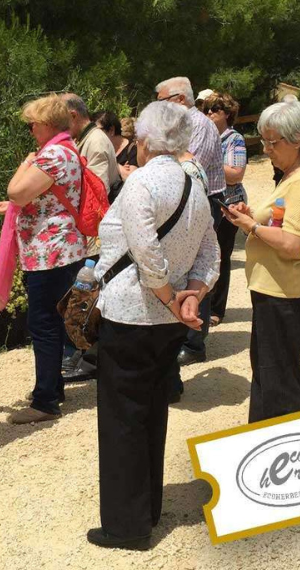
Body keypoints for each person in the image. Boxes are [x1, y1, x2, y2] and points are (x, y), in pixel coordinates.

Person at [87, 101, 219, 550]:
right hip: (169, 321)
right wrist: (191, 297)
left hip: (132, 315)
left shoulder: (142, 182)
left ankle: (127, 526)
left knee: (123, 418)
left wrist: (171, 297)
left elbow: (146, 254)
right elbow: (211, 254)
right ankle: (149, 507)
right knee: (152, 413)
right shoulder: (194, 181)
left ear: (143, 142)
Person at [221, 100, 300, 422]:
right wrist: (252, 216)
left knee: (278, 377)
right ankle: (270, 442)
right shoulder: (292, 174)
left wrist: (251, 227)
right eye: (264, 141)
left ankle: (280, 447)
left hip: (285, 293)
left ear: (297, 139)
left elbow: (293, 243)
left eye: (272, 142)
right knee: (272, 373)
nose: (266, 149)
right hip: (277, 290)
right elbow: (282, 222)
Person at [0, 94, 87, 424]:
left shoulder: (51, 155)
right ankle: (53, 388)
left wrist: (24, 166)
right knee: (55, 321)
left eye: (32, 125)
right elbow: (41, 198)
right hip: (64, 247)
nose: (30, 130)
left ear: (47, 124)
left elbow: (17, 191)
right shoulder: (67, 149)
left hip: (50, 253)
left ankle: (45, 401)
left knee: (43, 324)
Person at [155, 76, 225, 368]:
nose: (156, 108)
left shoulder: (199, 125)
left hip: (200, 202)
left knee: (198, 267)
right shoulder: (186, 125)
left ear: (179, 99)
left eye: (160, 101)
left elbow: (188, 168)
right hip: (189, 201)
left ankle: (194, 342)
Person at [60, 94, 120, 382]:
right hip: (85, 232)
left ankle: (89, 355)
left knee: (89, 295)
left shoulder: (95, 141)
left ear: (72, 115)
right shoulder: (82, 139)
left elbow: (94, 190)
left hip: (94, 233)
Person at [203, 92, 248, 327]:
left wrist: (209, 162)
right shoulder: (205, 136)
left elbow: (235, 174)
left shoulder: (234, 139)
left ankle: (216, 308)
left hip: (228, 206)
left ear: (227, 114)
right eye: (208, 109)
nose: (209, 113)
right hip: (207, 203)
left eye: (215, 109)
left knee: (221, 256)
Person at [95, 110, 138, 184]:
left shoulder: (132, 149)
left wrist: (114, 165)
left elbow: (131, 178)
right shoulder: (98, 148)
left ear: (111, 130)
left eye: (98, 131)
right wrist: (121, 169)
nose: (94, 135)